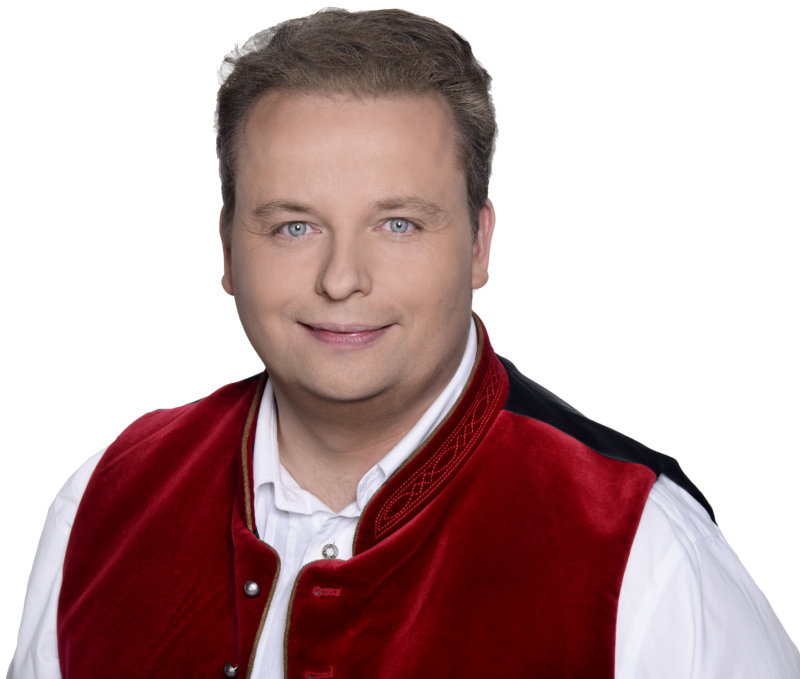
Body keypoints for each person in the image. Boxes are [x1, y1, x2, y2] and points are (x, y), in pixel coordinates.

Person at [8, 7, 798, 679]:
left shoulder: (647, 551)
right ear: (226, 248)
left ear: (481, 244)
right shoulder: (99, 502)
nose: (342, 278)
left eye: (398, 224)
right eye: (294, 226)